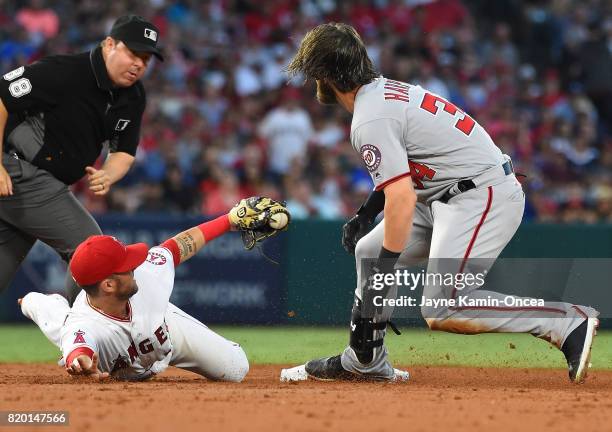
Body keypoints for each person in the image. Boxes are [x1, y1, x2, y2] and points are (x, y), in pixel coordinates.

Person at [281, 23, 599, 384]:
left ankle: (567, 322)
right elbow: (402, 174)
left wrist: (385, 269)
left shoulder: (370, 117)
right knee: (369, 250)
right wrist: (366, 214)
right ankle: (365, 359)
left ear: (324, 75)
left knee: (443, 305)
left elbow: (401, 199)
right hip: (447, 192)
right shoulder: (383, 94)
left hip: (480, 195)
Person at [19, 196, 290, 381]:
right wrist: (80, 361)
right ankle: (40, 303)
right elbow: (79, 348)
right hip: (88, 328)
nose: (135, 265)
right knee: (56, 320)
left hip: (165, 329)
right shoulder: (84, 327)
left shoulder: (145, 273)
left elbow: (178, 245)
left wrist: (229, 220)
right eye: (126, 265)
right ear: (109, 284)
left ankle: (39, 303)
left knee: (236, 368)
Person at [0, 15, 163, 304]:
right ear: (109, 44)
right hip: (20, 170)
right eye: (133, 53)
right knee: (95, 254)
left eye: (146, 58)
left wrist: (109, 173)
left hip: (34, 184)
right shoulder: (64, 71)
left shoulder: (133, 96)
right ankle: (80, 334)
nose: (139, 63)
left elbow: (124, 152)